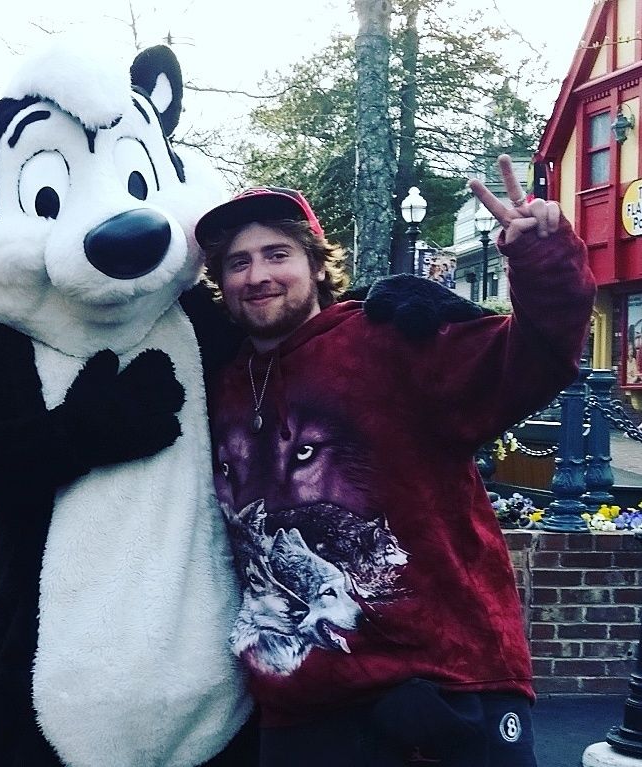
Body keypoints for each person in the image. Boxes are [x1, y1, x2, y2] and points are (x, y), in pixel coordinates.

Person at [194, 155, 596, 766]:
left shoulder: (385, 342)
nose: (258, 275)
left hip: (438, 689)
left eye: (277, 254)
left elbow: (534, 358)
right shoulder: (220, 385)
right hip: (300, 710)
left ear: (315, 264)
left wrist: (542, 258)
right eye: (237, 262)